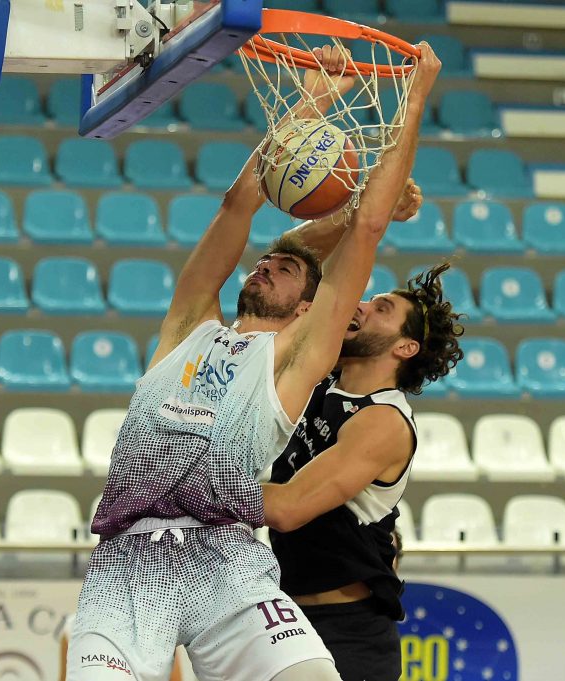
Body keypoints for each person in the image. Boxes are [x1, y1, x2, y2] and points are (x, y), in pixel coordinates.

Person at [67, 41, 442, 681]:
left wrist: (415, 97)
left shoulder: (298, 359)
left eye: (287, 267)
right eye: (266, 261)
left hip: (228, 560)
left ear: (310, 308)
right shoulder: (189, 323)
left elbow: (367, 229)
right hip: (129, 561)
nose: (266, 262)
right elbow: (238, 204)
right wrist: (311, 104)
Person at [259, 215, 464, 681]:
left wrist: (190, 487)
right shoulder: (319, 372)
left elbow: (288, 508)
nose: (362, 306)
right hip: (284, 617)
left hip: (346, 632)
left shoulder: (383, 420)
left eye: (382, 308)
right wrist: (355, 211)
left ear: (405, 348)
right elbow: (290, 254)